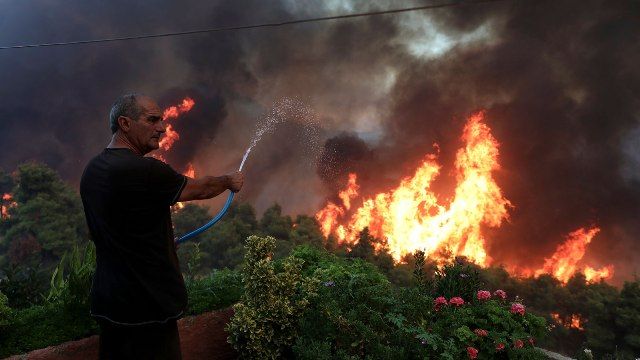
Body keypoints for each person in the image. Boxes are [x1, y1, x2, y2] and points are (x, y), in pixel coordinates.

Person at [80, 94, 243, 359]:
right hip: (148, 305)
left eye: (162, 120)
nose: (162, 127)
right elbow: (200, 189)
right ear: (125, 123)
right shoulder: (146, 171)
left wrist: (157, 239)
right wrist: (228, 181)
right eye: (152, 120)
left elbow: (105, 230)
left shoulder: (92, 170)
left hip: (109, 302)